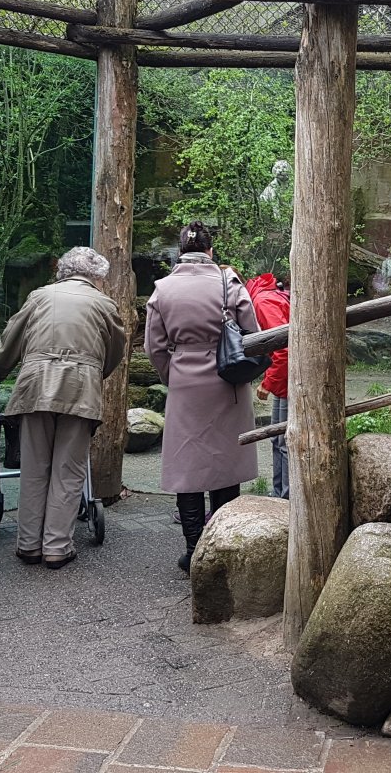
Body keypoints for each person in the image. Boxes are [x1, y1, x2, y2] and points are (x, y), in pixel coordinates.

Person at [0, 247, 126, 569]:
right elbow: (115, 351)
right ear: (95, 276)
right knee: (69, 469)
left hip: (35, 387)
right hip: (81, 390)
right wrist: (93, 373)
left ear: (63, 271)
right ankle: (57, 547)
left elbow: (11, 339)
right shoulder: (104, 304)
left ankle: (28, 545)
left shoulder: (38, 296)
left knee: (35, 467)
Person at [144, 222, 259, 571]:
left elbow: (154, 347)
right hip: (227, 383)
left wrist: (174, 375)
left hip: (184, 384)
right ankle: (222, 547)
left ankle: (194, 550)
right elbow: (253, 335)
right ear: (211, 251)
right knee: (226, 466)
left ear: (180, 252)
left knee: (187, 469)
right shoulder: (230, 284)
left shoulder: (161, 290)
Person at [247, 272, 290, 499]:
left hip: (288, 381)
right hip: (285, 381)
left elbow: (283, 349)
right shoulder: (265, 296)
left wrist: (267, 383)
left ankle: (286, 498)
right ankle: (279, 494)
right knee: (278, 438)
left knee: (285, 442)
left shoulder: (263, 302)